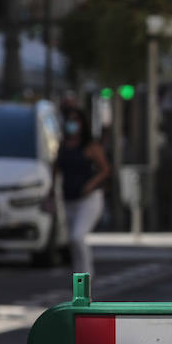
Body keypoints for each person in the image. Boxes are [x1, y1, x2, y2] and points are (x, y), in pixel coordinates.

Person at [55, 106, 110, 275]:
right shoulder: (63, 145)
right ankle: (77, 276)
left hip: (88, 199)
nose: (73, 124)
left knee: (77, 237)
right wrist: (51, 193)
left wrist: (90, 185)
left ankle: (87, 276)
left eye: (76, 120)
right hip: (69, 198)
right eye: (70, 120)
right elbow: (55, 169)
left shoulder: (90, 146)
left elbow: (105, 169)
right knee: (72, 241)